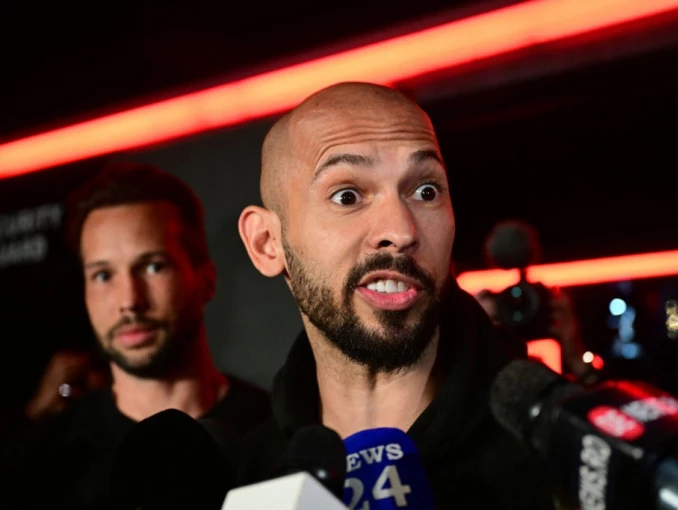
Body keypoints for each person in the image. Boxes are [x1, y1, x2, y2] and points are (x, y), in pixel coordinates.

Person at [237, 82, 555, 508]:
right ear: (266, 243)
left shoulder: (558, 457)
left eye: (426, 191)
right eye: (347, 196)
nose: (402, 231)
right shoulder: (244, 477)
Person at [0, 162, 271, 510]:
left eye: (153, 266)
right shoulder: (34, 466)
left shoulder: (279, 432)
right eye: (103, 275)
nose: (129, 301)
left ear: (206, 279)